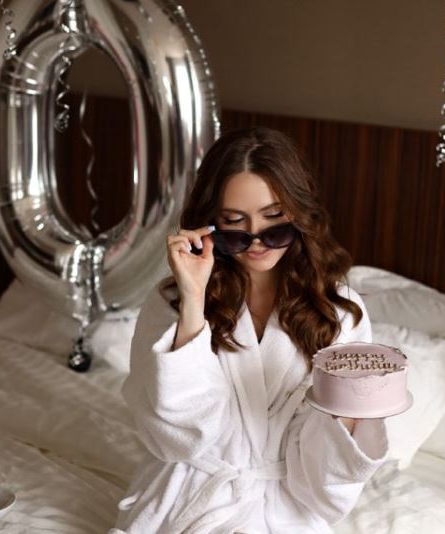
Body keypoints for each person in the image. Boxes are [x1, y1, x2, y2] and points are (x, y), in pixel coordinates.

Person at [111, 127, 388, 534]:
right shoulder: (171, 301)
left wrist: (348, 406)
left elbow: (329, 469)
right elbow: (177, 439)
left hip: (287, 507)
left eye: (275, 222)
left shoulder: (339, 310)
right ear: (210, 224)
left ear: (299, 213)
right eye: (235, 224)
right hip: (191, 498)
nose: (258, 241)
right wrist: (193, 300)